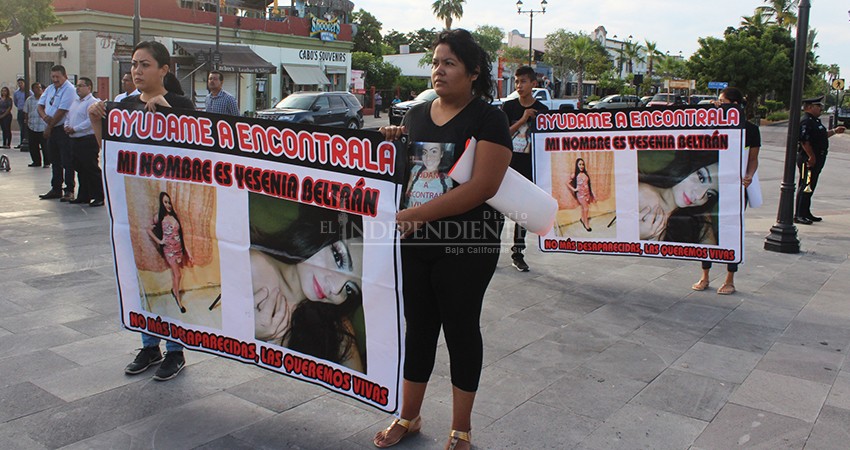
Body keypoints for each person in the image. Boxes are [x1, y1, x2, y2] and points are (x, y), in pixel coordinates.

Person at [374, 29, 512, 450]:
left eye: (449, 63)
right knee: (418, 329)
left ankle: (460, 429)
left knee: (460, 329)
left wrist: (417, 214)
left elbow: (483, 187)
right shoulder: (416, 115)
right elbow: (410, 176)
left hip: (467, 242)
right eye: (435, 62)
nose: (438, 70)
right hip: (416, 241)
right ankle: (408, 416)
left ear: (473, 72)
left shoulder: (489, 118)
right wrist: (392, 145)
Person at [88, 41, 195, 381]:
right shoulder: (124, 106)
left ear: (164, 69)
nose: (136, 71)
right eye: (134, 64)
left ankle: (175, 351)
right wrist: (96, 124)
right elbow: (109, 156)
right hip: (135, 206)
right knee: (140, 274)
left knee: (168, 276)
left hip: (168, 205)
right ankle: (149, 345)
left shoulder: (180, 104)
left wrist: (172, 116)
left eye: (145, 64)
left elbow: (197, 155)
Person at [250, 202, 365, 372]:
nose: (336, 289)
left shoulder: (337, 326)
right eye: (338, 258)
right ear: (318, 230)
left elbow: (356, 391)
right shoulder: (250, 265)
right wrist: (246, 334)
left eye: (350, 289)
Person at [692, 87, 759, 295]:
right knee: (706, 227)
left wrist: (748, 175)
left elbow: (753, 160)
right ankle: (705, 275)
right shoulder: (712, 125)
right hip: (711, 187)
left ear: (736, 105)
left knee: (730, 229)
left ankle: (730, 278)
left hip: (736, 188)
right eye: (718, 101)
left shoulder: (750, 130)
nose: (719, 104)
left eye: (723, 101)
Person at [502, 65, 549, 271]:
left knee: (522, 213)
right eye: (516, 81)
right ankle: (489, 250)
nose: (519, 85)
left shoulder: (544, 111)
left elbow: (546, 142)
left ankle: (517, 253)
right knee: (497, 211)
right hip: (507, 165)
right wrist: (523, 119)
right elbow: (502, 135)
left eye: (523, 81)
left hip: (529, 167)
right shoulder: (509, 107)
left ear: (533, 84)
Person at [638, 150, 720, 244]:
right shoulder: (639, 193)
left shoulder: (699, 220)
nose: (699, 196)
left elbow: (710, 256)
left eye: (709, 194)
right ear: (686, 163)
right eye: (701, 178)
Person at [794, 95, 845, 225]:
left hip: (817, 157)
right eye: (818, 106)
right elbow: (805, 141)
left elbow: (821, 136)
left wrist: (834, 131)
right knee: (806, 184)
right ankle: (799, 214)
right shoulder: (806, 121)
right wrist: (811, 156)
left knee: (810, 185)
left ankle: (806, 212)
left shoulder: (815, 121)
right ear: (810, 107)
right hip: (808, 159)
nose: (821, 109)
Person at [147, 192, 193, 313]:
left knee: (175, 274)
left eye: (169, 202)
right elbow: (149, 229)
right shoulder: (159, 217)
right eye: (165, 202)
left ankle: (174, 290)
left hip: (179, 249)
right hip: (169, 251)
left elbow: (181, 236)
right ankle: (178, 299)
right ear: (162, 203)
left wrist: (188, 252)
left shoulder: (174, 217)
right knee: (178, 274)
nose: (168, 205)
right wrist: (159, 241)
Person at [37, 65, 76, 201]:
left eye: (57, 77)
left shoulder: (69, 89)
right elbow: (40, 105)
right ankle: (56, 188)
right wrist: (44, 117)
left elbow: (62, 110)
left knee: (67, 160)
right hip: (51, 126)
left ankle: (69, 189)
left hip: (61, 129)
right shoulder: (50, 89)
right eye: (53, 77)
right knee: (55, 160)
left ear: (64, 76)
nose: (55, 79)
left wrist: (49, 127)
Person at [64, 77, 102, 206]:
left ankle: (99, 196)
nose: (78, 88)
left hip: (87, 140)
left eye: (81, 86)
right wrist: (67, 126)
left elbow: (90, 122)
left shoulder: (93, 102)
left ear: (89, 88)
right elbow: (68, 116)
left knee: (91, 168)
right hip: (74, 140)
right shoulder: (75, 102)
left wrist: (75, 128)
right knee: (80, 168)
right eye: (77, 86)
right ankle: (83, 195)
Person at [404, 142, 450, 208]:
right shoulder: (416, 170)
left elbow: (446, 207)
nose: (428, 157)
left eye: (434, 151)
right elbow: (407, 194)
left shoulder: (446, 179)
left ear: (441, 154)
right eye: (424, 152)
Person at [23, 82, 48, 167]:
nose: (39, 89)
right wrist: (27, 121)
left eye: (40, 88)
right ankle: (36, 161)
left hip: (43, 126)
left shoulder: (45, 99)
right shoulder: (29, 100)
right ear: (33, 89)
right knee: (33, 146)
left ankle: (47, 162)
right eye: (36, 88)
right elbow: (26, 111)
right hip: (32, 125)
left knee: (45, 146)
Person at [567, 157, 596, 232]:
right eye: (580, 164)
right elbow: (567, 182)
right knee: (586, 208)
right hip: (580, 195)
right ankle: (586, 224)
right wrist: (574, 189)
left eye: (583, 164)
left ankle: (583, 219)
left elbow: (588, 184)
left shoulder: (585, 174)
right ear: (577, 165)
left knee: (584, 208)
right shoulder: (574, 175)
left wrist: (592, 193)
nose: (581, 166)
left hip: (587, 193)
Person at [14, 78, 29, 148]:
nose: (20, 85)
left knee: (27, 127)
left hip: (27, 112)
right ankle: (22, 141)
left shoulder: (28, 92)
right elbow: (15, 102)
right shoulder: (16, 93)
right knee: (22, 127)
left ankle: (28, 140)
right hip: (20, 111)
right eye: (19, 83)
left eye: (21, 83)